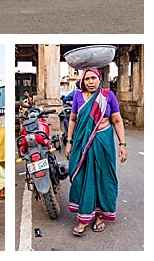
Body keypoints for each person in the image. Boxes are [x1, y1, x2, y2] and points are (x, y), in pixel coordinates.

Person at [65, 67, 127, 236]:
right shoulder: (77, 96)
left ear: (99, 79)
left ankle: (99, 216)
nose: (90, 82)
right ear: (82, 81)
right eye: (87, 79)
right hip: (81, 142)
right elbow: (72, 120)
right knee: (83, 177)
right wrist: (69, 142)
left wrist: (122, 144)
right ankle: (84, 214)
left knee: (103, 177)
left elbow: (117, 120)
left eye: (93, 78)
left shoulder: (108, 96)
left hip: (103, 140)